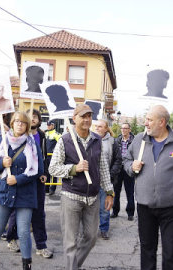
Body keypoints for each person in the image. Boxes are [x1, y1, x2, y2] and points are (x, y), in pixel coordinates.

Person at [122, 105, 173, 270]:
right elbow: (126, 162)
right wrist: (132, 166)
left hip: (172, 208)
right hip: (144, 206)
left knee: (171, 253)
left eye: (150, 120)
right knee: (147, 250)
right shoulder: (139, 140)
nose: (146, 123)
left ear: (162, 122)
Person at [48, 104, 114, 270]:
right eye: (83, 116)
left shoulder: (97, 139)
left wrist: (109, 191)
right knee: (70, 242)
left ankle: (74, 266)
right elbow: (53, 168)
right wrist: (73, 169)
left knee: (91, 238)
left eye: (89, 116)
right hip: (71, 196)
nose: (87, 119)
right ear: (74, 119)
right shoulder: (65, 140)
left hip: (92, 197)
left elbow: (103, 167)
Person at [0, 111, 44, 270]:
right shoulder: (1, 142)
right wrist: (2, 163)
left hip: (26, 194)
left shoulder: (33, 145)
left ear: (27, 125)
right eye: (17, 121)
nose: (20, 124)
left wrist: (18, 179)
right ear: (12, 123)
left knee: (23, 232)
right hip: (4, 192)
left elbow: (38, 170)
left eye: (23, 122)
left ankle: (26, 265)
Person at [5, 109, 53, 258]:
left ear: (39, 120)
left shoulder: (42, 136)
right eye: (29, 117)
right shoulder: (15, 137)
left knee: (39, 214)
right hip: (20, 180)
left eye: (35, 117)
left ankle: (41, 245)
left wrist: (44, 173)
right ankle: (12, 238)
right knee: (16, 212)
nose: (32, 119)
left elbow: (43, 157)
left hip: (37, 180)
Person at [94, 119, 122, 240]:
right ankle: (87, 230)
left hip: (106, 181)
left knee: (104, 207)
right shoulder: (91, 140)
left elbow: (118, 160)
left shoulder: (112, 142)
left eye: (100, 126)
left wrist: (110, 175)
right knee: (89, 208)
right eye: (96, 126)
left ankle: (104, 229)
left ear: (106, 128)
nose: (97, 128)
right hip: (91, 180)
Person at [112, 122, 135, 220]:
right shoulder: (117, 140)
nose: (123, 130)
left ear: (129, 129)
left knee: (129, 191)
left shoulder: (134, 141)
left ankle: (130, 213)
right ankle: (115, 211)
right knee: (116, 191)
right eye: (122, 128)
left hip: (129, 168)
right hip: (118, 168)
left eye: (125, 128)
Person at [45, 119, 61, 195]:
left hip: (53, 156)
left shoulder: (57, 134)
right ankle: (46, 188)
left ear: (53, 125)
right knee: (46, 172)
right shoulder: (45, 134)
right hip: (46, 156)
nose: (48, 126)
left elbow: (60, 146)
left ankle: (53, 188)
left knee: (53, 173)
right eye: (47, 125)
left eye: (49, 125)